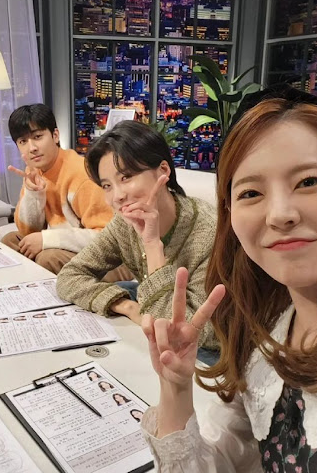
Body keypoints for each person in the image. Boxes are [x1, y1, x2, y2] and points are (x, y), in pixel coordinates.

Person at [140, 84, 317, 472]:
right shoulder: (264, 333)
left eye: (308, 182)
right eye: (251, 193)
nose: (279, 214)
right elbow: (224, 463)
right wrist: (175, 386)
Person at [56, 120, 218, 352]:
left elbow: (182, 332)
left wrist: (152, 244)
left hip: (209, 347)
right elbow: (69, 276)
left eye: (126, 177)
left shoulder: (209, 232)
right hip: (156, 317)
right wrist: (127, 307)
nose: (117, 196)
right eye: (107, 186)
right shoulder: (125, 223)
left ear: (163, 171)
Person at [3, 103, 132, 280]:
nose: (31, 148)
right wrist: (33, 194)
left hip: (113, 259)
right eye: (23, 141)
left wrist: (47, 240)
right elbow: (28, 231)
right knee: (10, 241)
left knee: (48, 258)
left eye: (38, 137)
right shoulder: (34, 170)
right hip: (74, 245)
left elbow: (108, 237)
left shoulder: (81, 174)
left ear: (55, 135)